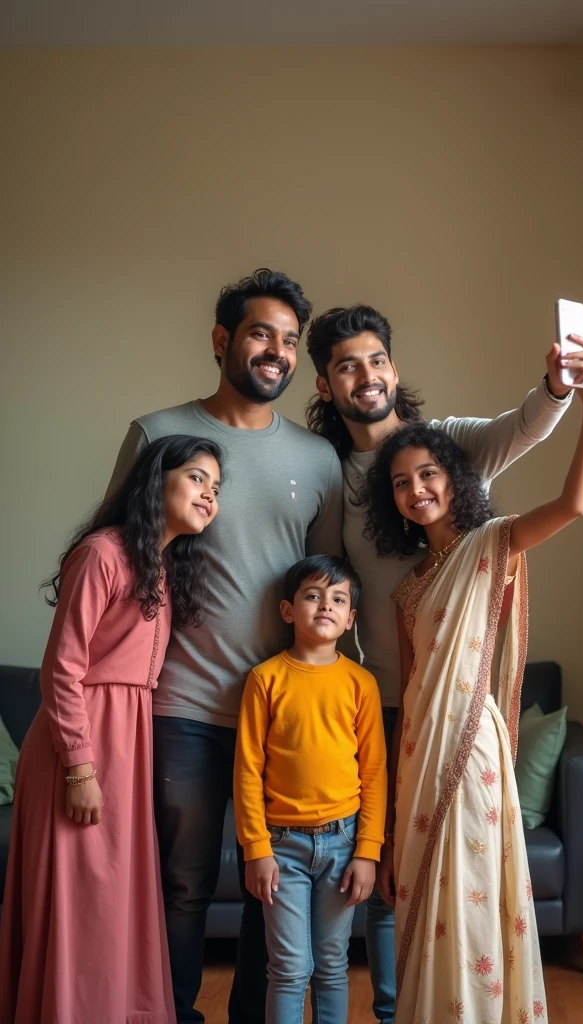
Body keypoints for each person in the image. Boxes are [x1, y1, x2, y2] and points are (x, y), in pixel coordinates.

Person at [305, 304, 583, 1022]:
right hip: (406, 746)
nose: (416, 490)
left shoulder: (491, 543)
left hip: (470, 750)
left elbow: (573, 501)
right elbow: (412, 688)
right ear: (325, 383)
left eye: (429, 476)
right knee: (409, 901)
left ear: (454, 473)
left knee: (470, 903)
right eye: (402, 484)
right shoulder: (409, 584)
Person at [106, 270, 343, 1023]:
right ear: (222, 341)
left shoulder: (318, 459)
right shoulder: (158, 434)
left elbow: (327, 589)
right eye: (259, 333)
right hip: (183, 702)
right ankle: (174, 1013)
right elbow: (118, 560)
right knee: (182, 883)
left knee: (264, 888)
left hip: (282, 716)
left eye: (288, 341)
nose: (276, 351)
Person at [0, 435, 222, 1024]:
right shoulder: (103, 553)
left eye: (216, 488)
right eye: (198, 478)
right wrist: (79, 766)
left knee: (114, 898)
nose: (209, 494)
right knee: (80, 899)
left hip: (129, 741)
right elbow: (63, 667)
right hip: (84, 744)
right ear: (157, 479)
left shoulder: (162, 566)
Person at [234, 555, 387, 1024]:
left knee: (333, 966)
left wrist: (368, 850)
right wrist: (255, 849)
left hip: (344, 846)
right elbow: (247, 771)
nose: (326, 605)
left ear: (350, 618)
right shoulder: (265, 679)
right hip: (282, 849)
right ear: (288, 610)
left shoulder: (362, 684)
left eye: (338, 599)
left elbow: (375, 773)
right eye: (313, 595)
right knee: (289, 967)